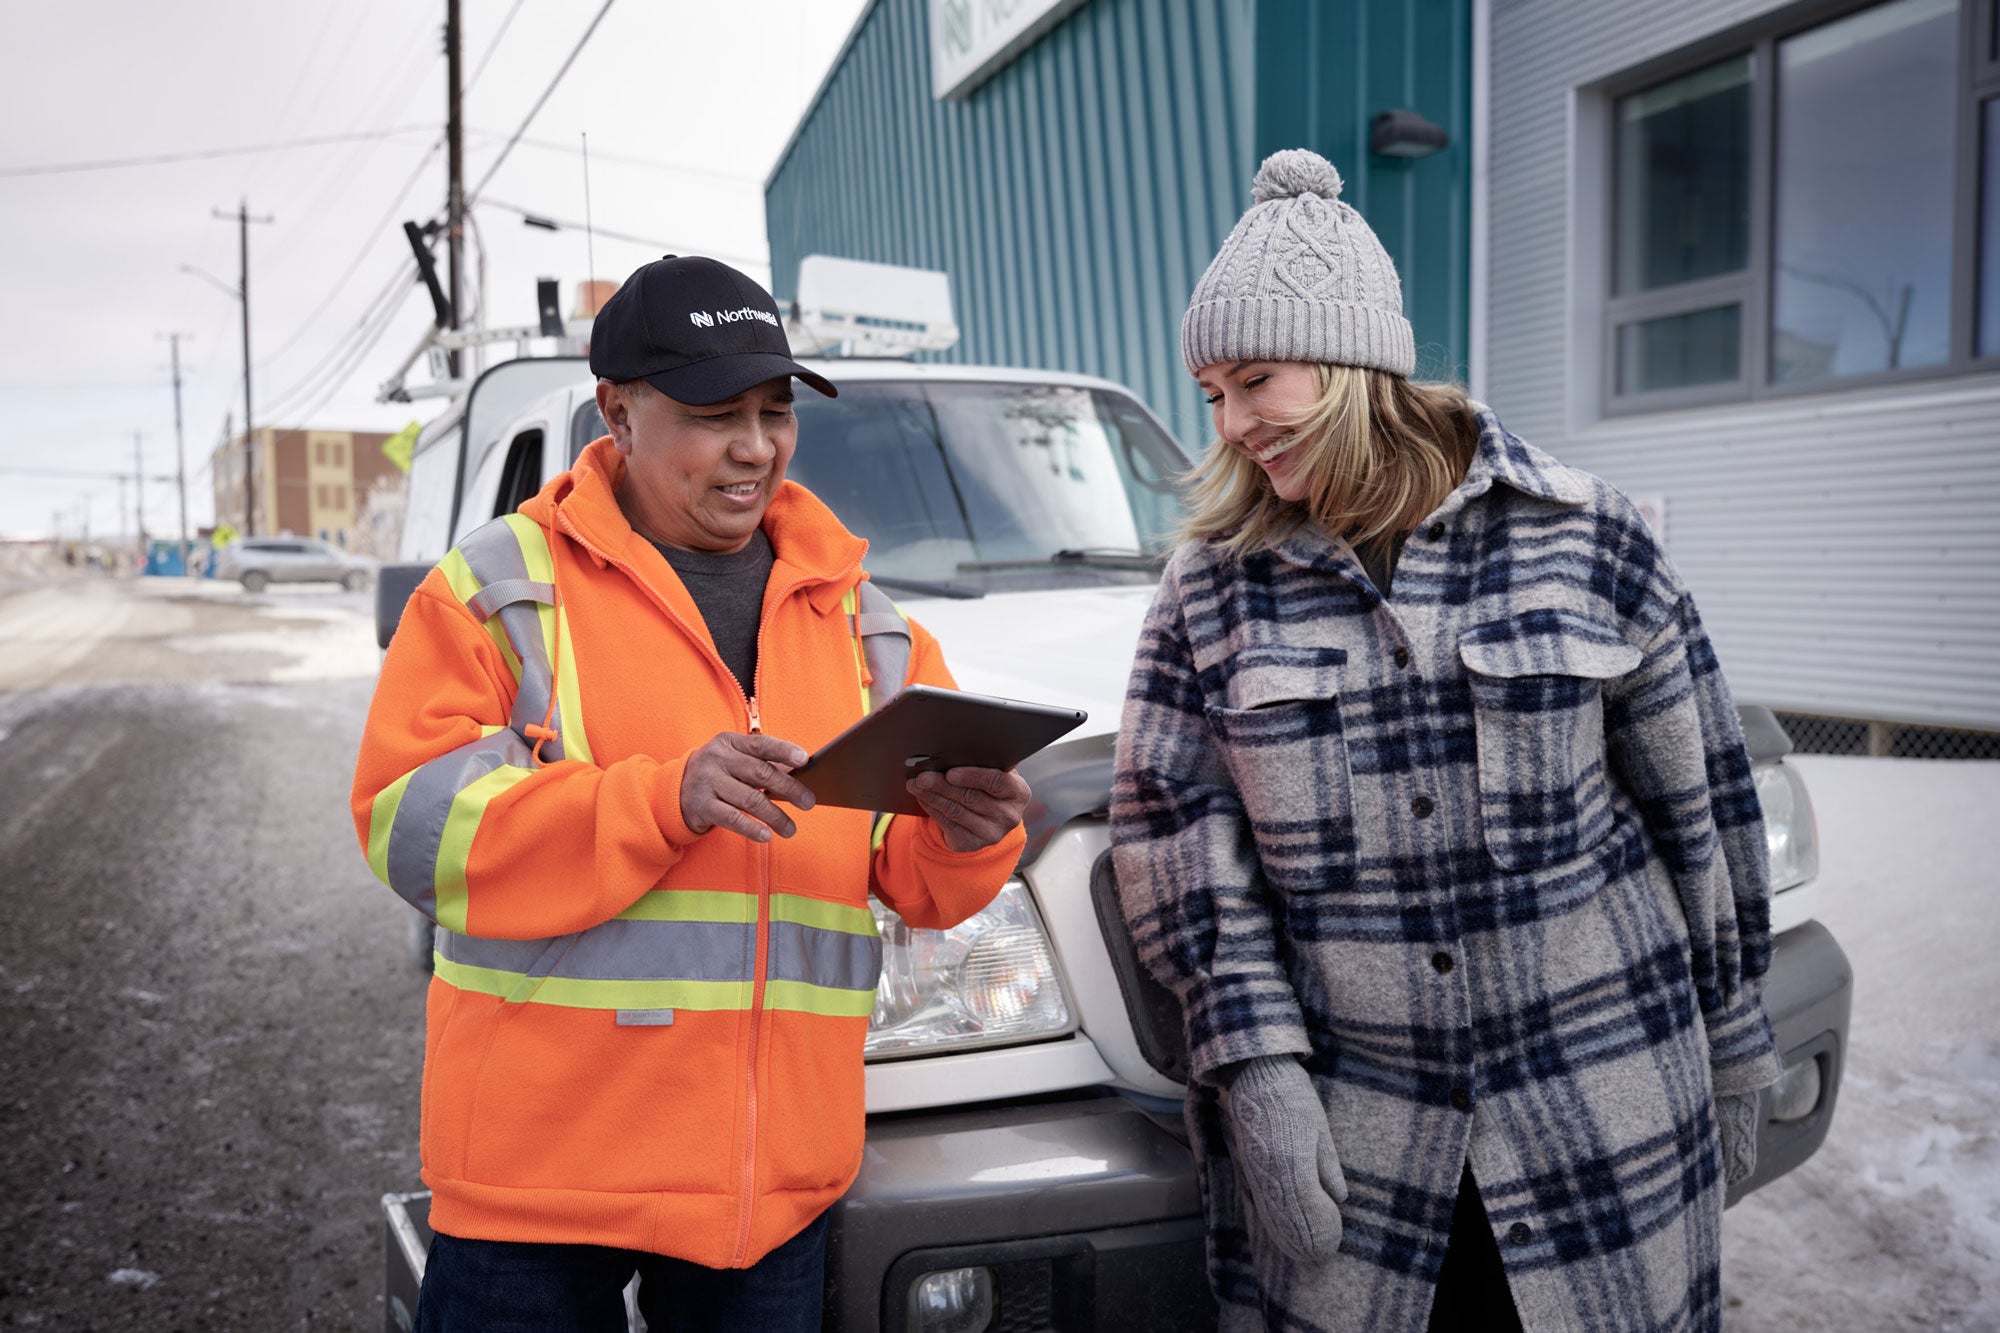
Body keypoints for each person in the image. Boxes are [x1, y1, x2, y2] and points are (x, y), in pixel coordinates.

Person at [1109, 150, 1779, 1333]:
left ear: (1356, 359)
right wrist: (1255, 1069)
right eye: (1212, 391)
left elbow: (1702, 801)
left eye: (1255, 378)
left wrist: (1732, 1031)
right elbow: (1173, 839)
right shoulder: (1209, 593)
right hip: (1358, 1146)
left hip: (1600, 1107)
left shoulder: (1586, 538)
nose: (1232, 424)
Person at [351, 254, 1031, 1331]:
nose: (755, 447)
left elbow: (911, 880)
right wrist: (660, 801)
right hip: (540, 1181)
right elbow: (410, 829)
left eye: (775, 411)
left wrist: (968, 836)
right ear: (617, 410)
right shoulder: (494, 588)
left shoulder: (868, 620)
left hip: (761, 1191)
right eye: (717, 415)